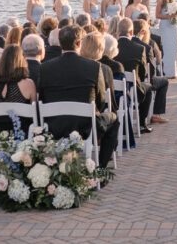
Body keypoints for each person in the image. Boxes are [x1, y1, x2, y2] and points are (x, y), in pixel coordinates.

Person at [38, 26, 119, 167]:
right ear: (80, 43)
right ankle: (101, 168)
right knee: (114, 120)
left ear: (60, 43)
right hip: (85, 128)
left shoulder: (45, 67)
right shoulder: (94, 67)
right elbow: (100, 100)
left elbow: (42, 97)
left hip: (54, 127)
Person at [0, 45, 36, 131]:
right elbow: (33, 112)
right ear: (21, 60)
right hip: (21, 135)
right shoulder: (28, 84)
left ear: (2, 60)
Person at [155, 0, 177, 78]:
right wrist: (169, 17)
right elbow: (157, 15)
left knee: (173, 47)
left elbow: (173, 12)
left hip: (172, 26)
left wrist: (175, 16)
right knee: (166, 47)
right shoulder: (161, 0)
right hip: (165, 26)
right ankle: (165, 71)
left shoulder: (171, 0)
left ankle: (172, 72)